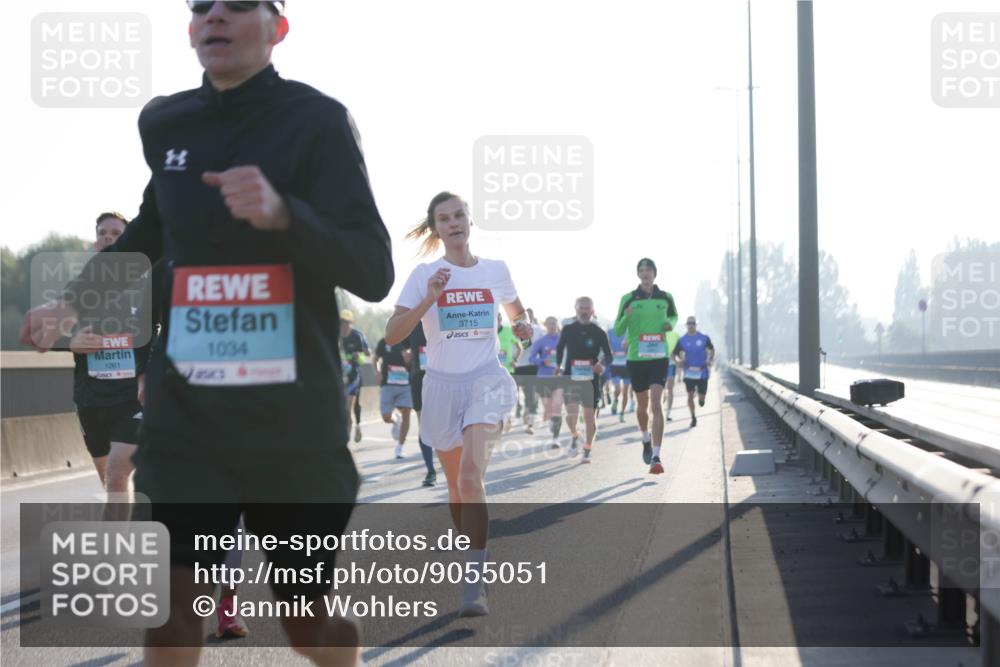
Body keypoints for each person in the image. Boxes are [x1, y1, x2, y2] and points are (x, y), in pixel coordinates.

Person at [21, 2, 393, 664]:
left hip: (291, 419)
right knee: (173, 614)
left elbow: (373, 268)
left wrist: (287, 216)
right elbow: (148, 229)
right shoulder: (166, 121)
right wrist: (73, 302)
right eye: (201, 7)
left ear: (279, 27)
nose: (216, 15)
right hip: (188, 414)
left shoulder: (317, 121)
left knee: (307, 623)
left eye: (238, 4)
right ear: (191, 31)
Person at [385, 191, 532, 617]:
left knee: (470, 478)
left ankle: (475, 582)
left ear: (470, 221)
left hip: (486, 379)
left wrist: (523, 329)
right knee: (455, 489)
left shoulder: (495, 270)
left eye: (460, 215)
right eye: (445, 219)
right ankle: (472, 561)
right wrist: (430, 298)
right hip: (441, 388)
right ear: (436, 230)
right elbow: (394, 334)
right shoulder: (424, 274)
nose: (454, 223)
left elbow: (519, 316)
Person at [66, 212, 147, 498]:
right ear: (95, 242)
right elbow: (50, 331)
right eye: (103, 233)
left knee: (116, 475)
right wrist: (71, 341)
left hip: (131, 398)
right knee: (110, 481)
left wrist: (146, 373)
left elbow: (167, 328)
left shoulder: (147, 285)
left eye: (116, 234)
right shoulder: (78, 288)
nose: (108, 238)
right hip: (91, 399)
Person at [613, 258, 678, 475]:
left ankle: (657, 456)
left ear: (654, 273)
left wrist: (671, 324)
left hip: (659, 357)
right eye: (641, 270)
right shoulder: (628, 299)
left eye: (648, 270)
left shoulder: (665, 297)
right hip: (636, 359)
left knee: (656, 403)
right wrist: (627, 316)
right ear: (638, 274)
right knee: (642, 405)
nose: (645, 273)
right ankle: (645, 439)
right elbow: (619, 329)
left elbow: (673, 316)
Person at [556, 297, 613, 462]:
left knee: (589, 417)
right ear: (576, 309)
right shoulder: (568, 329)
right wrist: (558, 365)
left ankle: (587, 448)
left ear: (592, 310)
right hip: (570, 376)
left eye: (587, 307)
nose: (584, 310)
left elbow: (609, 356)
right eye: (581, 307)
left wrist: (601, 365)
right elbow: (560, 349)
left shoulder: (598, 331)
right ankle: (575, 435)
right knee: (571, 414)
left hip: (591, 379)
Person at [401, 321, 437, 486]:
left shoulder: (441, 315)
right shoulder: (412, 322)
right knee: (424, 426)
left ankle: (458, 466)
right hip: (418, 378)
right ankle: (431, 470)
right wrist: (406, 354)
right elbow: (405, 347)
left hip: (443, 378)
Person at [373, 336, 413, 459]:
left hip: (405, 384)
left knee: (407, 412)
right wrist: (377, 372)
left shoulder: (407, 341)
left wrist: (409, 358)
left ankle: (399, 448)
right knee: (386, 417)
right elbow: (375, 359)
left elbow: (415, 358)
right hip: (387, 384)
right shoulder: (384, 342)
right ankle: (395, 420)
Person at [672, 316, 716, 428]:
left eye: (693, 323)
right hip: (689, 372)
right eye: (689, 323)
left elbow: (712, 349)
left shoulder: (704, 338)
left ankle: (701, 399)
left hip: (702, 371)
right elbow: (674, 354)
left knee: (701, 399)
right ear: (686, 325)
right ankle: (693, 418)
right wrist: (678, 361)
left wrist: (710, 359)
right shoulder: (682, 340)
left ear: (696, 324)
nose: (691, 325)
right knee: (690, 395)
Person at [528, 317, 564, 449]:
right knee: (548, 408)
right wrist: (543, 362)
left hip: (559, 377)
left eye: (554, 323)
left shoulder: (563, 340)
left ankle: (556, 438)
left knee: (557, 406)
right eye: (549, 324)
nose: (552, 326)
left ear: (557, 324)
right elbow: (531, 358)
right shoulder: (541, 341)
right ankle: (551, 421)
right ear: (545, 326)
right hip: (543, 377)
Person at [339, 310, 370, 443]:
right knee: (345, 407)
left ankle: (348, 435)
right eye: (341, 322)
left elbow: (367, 355)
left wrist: (359, 356)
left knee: (349, 405)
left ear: (351, 323)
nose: (343, 325)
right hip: (340, 375)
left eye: (346, 323)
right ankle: (352, 428)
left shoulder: (357, 336)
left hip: (354, 375)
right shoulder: (336, 335)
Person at [512, 308, 543, 434]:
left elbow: (542, 346)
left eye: (528, 316)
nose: (525, 319)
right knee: (514, 392)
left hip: (531, 365)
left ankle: (529, 421)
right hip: (516, 365)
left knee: (530, 393)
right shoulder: (513, 329)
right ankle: (519, 406)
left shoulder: (537, 329)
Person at [606, 323, 632, 424]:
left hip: (627, 366)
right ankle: (615, 400)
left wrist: (628, 348)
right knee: (618, 389)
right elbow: (607, 344)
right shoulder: (611, 332)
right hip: (615, 365)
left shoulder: (630, 331)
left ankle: (622, 413)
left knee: (625, 392)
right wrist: (610, 350)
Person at [664, 328, 681, 422]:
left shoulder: (675, 335)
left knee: (670, 389)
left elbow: (678, 353)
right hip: (658, 365)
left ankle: (668, 413)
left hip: (670, 365)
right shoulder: (655, 330)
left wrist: (678, 359)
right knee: (660, 389)